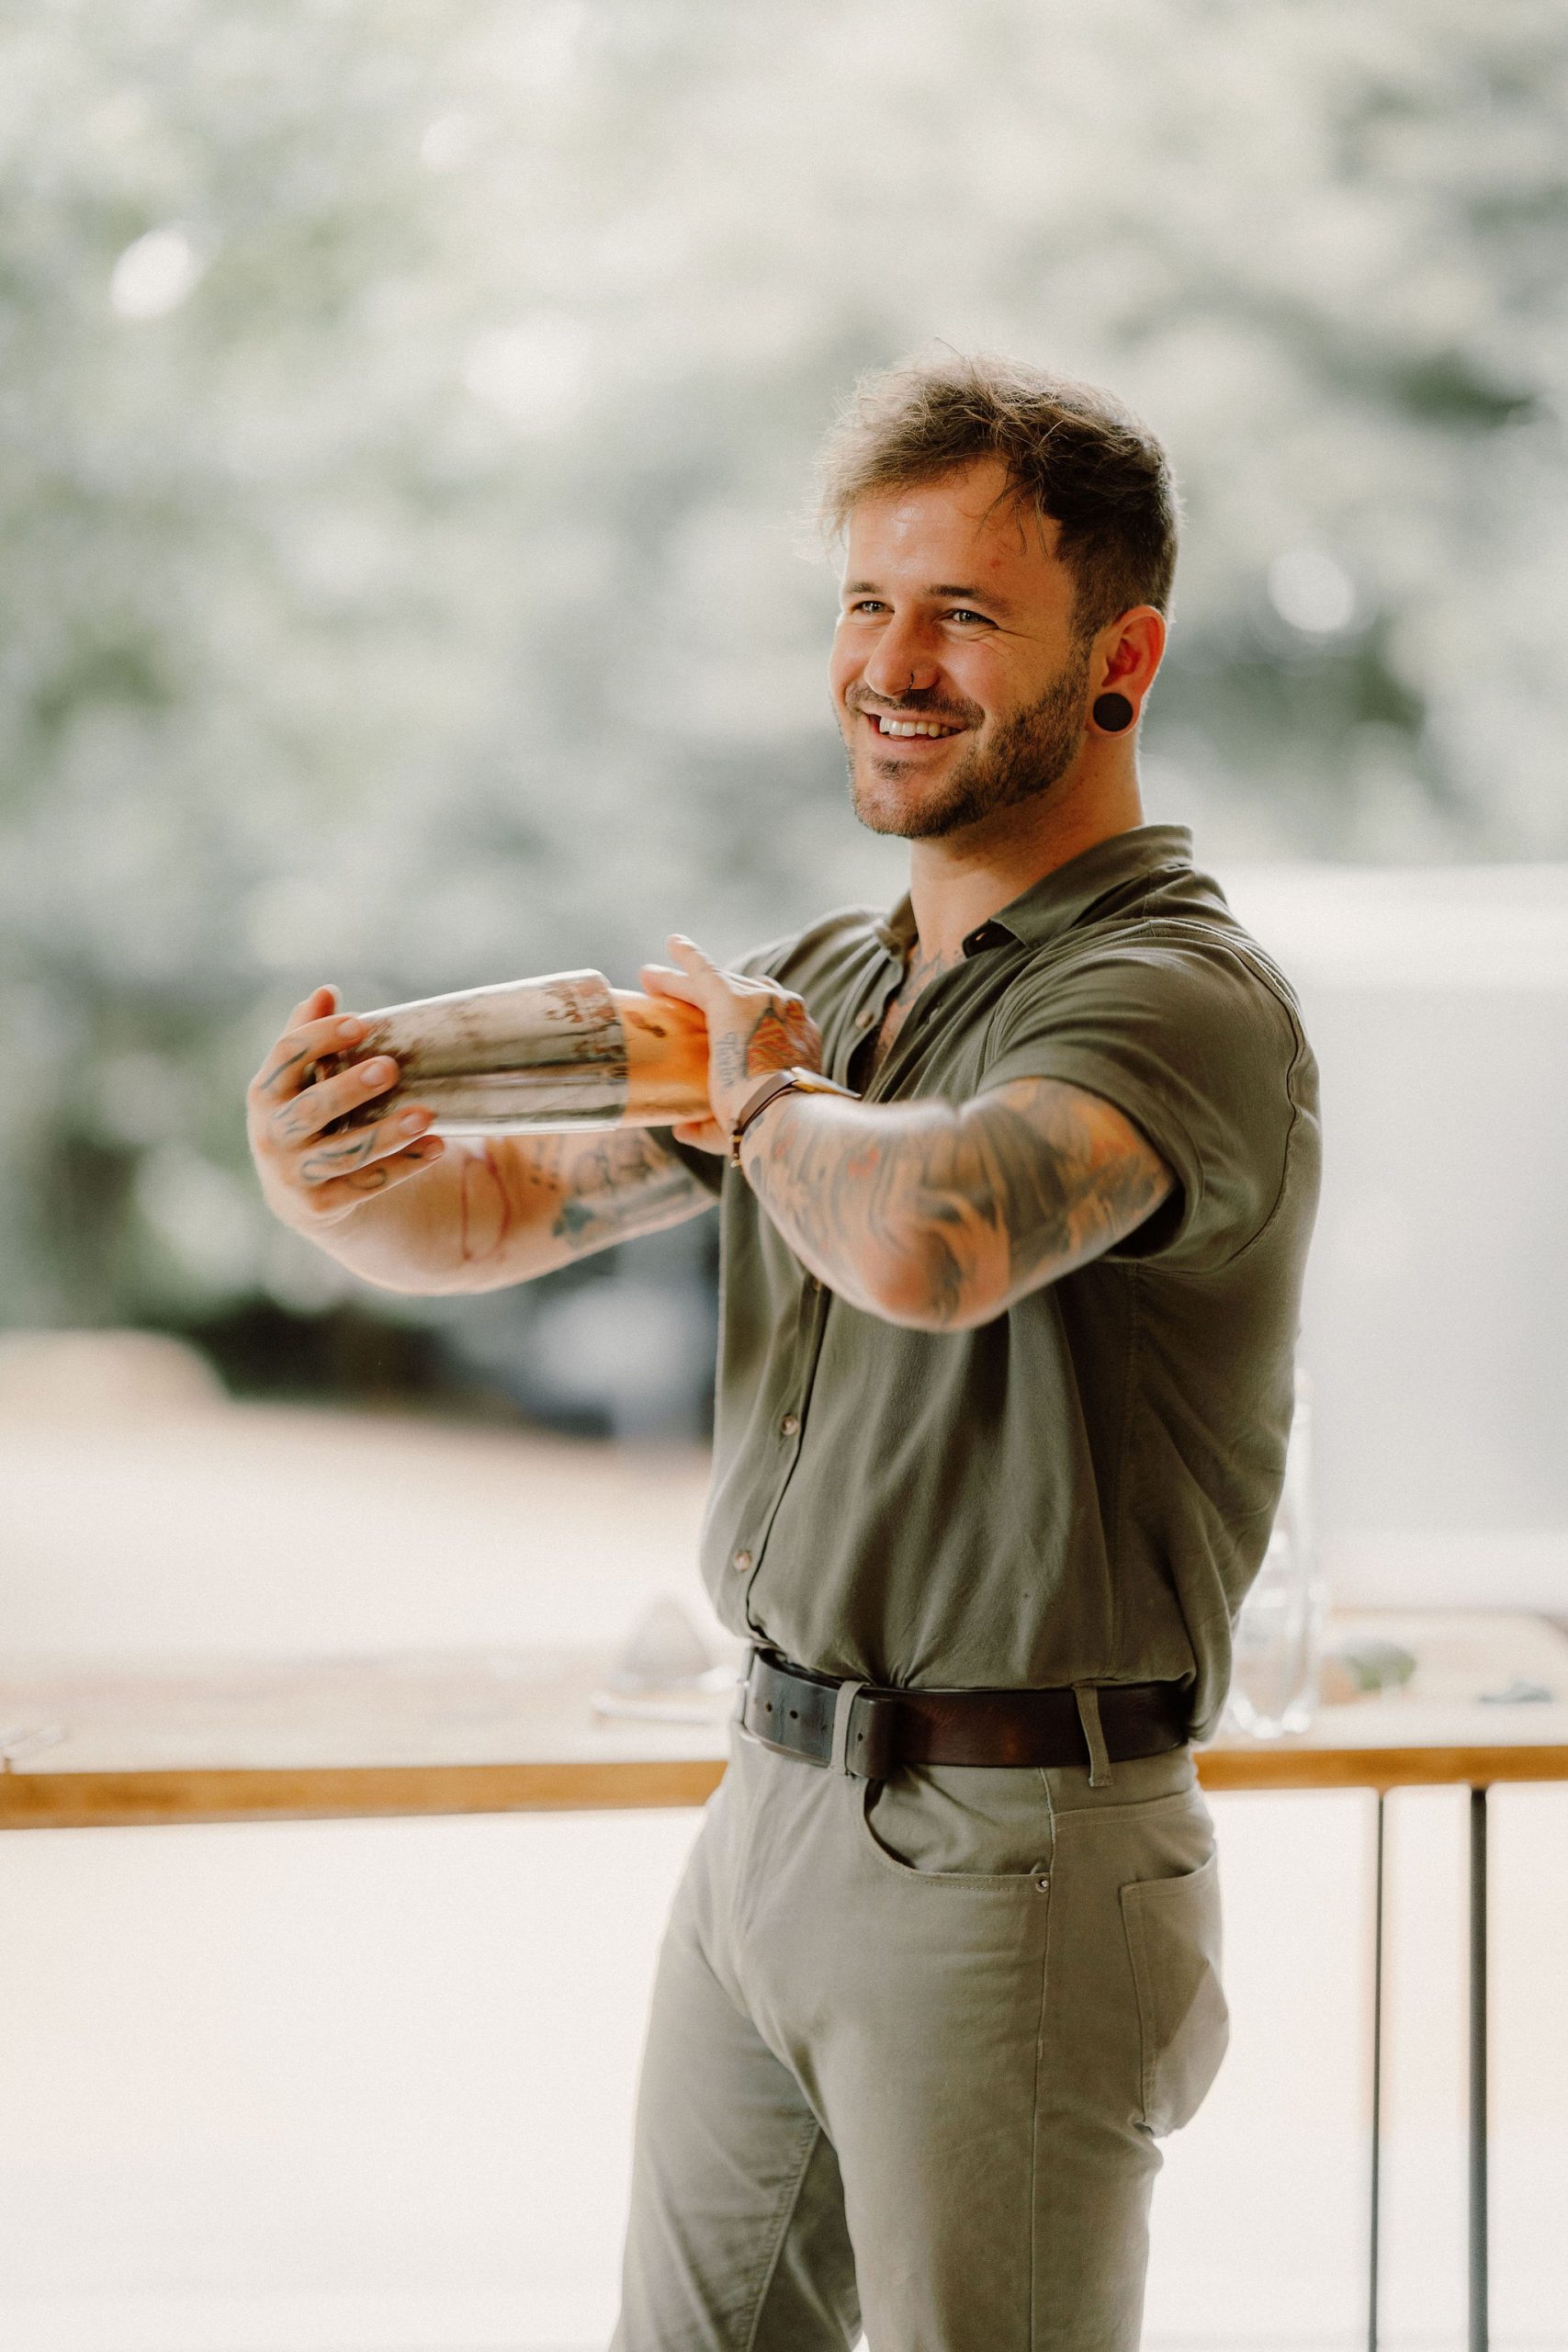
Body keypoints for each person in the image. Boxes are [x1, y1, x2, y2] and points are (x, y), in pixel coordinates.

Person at [247, 353, 1320, 2351]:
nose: (887, 666)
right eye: (862, 603)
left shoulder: (1175, 996)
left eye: (962, 614)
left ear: (1121, 659)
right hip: (770, 1804)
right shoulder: (826, 988)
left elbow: (933, 1230)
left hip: (1014, 1854)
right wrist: (320, 1174)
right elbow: (484, 1212)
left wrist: (759, 1100)